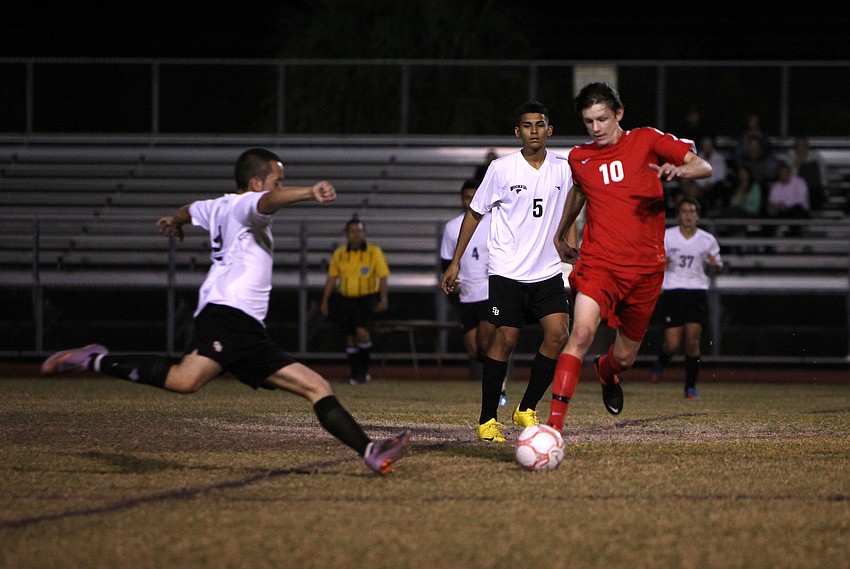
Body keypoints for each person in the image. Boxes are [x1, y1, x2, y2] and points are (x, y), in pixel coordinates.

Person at [40, 148, 409, 476]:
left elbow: (189, 210)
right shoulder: (245, 204)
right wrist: (310, 192)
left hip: (238, 322)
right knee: (201, 380)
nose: (279, 185)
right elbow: (269, 201)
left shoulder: (215, 204)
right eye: (276, 179)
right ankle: (370, 452)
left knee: (201, 381)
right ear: (255, 182)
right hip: (229, 314)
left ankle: (94, 361)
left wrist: (175, 221)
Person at [546, 82, 712, 432]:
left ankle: (606, 372)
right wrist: (560, 233)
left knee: (624, 357)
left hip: (645, 271)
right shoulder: (580, 157)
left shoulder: (647, 140)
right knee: (581, 335)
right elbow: (579, 189)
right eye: (589, 121)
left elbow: (703, 166)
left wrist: (680, 171)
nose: (596, 128)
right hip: (598, 264)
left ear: (618, 114)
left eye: (602, 119)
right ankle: (552, 429)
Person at [441, 100, 576, 443]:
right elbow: (474, 213)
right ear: (518, 132)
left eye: (539, 124)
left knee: (559, 334)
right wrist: (455, 261)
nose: (534, 131)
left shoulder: (563, 169)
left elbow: (570, 213)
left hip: (546, 270)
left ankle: (526, 408)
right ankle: (487, 420)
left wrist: (572, 259)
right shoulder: (502, 169)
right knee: (506, 338)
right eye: (527, 125)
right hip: (506, 270)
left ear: (550, 130)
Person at [649, 197, 723, 399]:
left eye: (692, 211)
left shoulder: (707, 239)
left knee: (692, 341)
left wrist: (716, 264)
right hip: (673, 291)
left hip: (696, 292)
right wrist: (663, 262)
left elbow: (719, 264)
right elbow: (655, 261)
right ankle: (660, 363)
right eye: (684, 211)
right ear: (678, 215)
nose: (689, 215)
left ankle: (690, 387)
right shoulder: (668, 236)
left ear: (697, 215)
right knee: (672, 344)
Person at [320, 218, 390, 385]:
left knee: (362, 333)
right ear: (346, 234)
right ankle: (354, 374)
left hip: (366, 298)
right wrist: (325, 300)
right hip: (345, 299)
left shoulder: (374, 252)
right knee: (350, 338)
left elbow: (383, 276)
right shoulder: (340, 253)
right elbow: (332, 278)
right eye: (352, 231)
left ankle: (363, 372)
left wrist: (383, 298)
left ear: (364, 233)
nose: (356, 235)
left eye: (359, 231)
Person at [440, 178, 497, 381]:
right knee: (474, 351)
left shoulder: (495, 221)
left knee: (485, 341)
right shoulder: (452, 228)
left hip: (490, 291)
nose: (471, 201)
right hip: (467, 294)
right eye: (467, 198)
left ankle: (498, 383)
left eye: (475, 197)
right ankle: (495, 377)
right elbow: (446, 261)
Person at [784, 136, 828, 212]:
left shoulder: (817, 158)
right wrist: (796, 166)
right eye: (799, 146)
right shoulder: (790, 159)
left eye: (804, 146)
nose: (801, 148)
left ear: (807, 146)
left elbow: (823, 177)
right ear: (795, 147)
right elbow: (788, 179)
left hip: (813, 189)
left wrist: (824, 188)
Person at [766, 161, 810, 236]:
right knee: (770, 217)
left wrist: (784, 204)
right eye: (780, 173)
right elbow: (772, 202)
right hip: (783, 213)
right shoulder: (776, 186)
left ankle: (794, 236)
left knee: (796, 210)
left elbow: (801, 200)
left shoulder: (800, 182)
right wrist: (778, 205)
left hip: (800, 212)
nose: (782, 175)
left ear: (789, 172)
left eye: (784, 172)